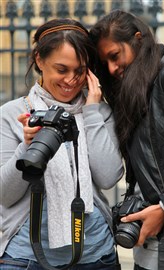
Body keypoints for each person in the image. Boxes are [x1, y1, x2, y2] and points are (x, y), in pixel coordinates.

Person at [0, 18, 124, 270]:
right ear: (39, 60)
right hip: (25, 257)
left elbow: (108, 177)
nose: (71, 80)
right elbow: (5, 194)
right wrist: (28, 145)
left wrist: (91, 112)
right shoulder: (11, 114)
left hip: (95, 255)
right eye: (61, 69)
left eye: (79, 71)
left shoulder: (99, 113)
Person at [90, 9, 164, 270]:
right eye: (103, 62)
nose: (111, 68)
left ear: (137, 39)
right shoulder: (133, 94)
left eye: (115, 56)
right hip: (149, 251)